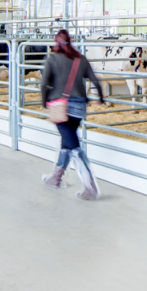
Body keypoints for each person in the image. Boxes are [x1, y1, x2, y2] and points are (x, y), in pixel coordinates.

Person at [39, 29, 106, 200]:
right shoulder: (80, 59)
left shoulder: (52, 58)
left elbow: (44, 83)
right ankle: (56, 177)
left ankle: (90, 186)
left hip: (59, 105)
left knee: (72, 144)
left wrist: (44, 101)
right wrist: (100, 97)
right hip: (78, 106)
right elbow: (95, 80)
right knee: (67, 142)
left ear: (56, 43)